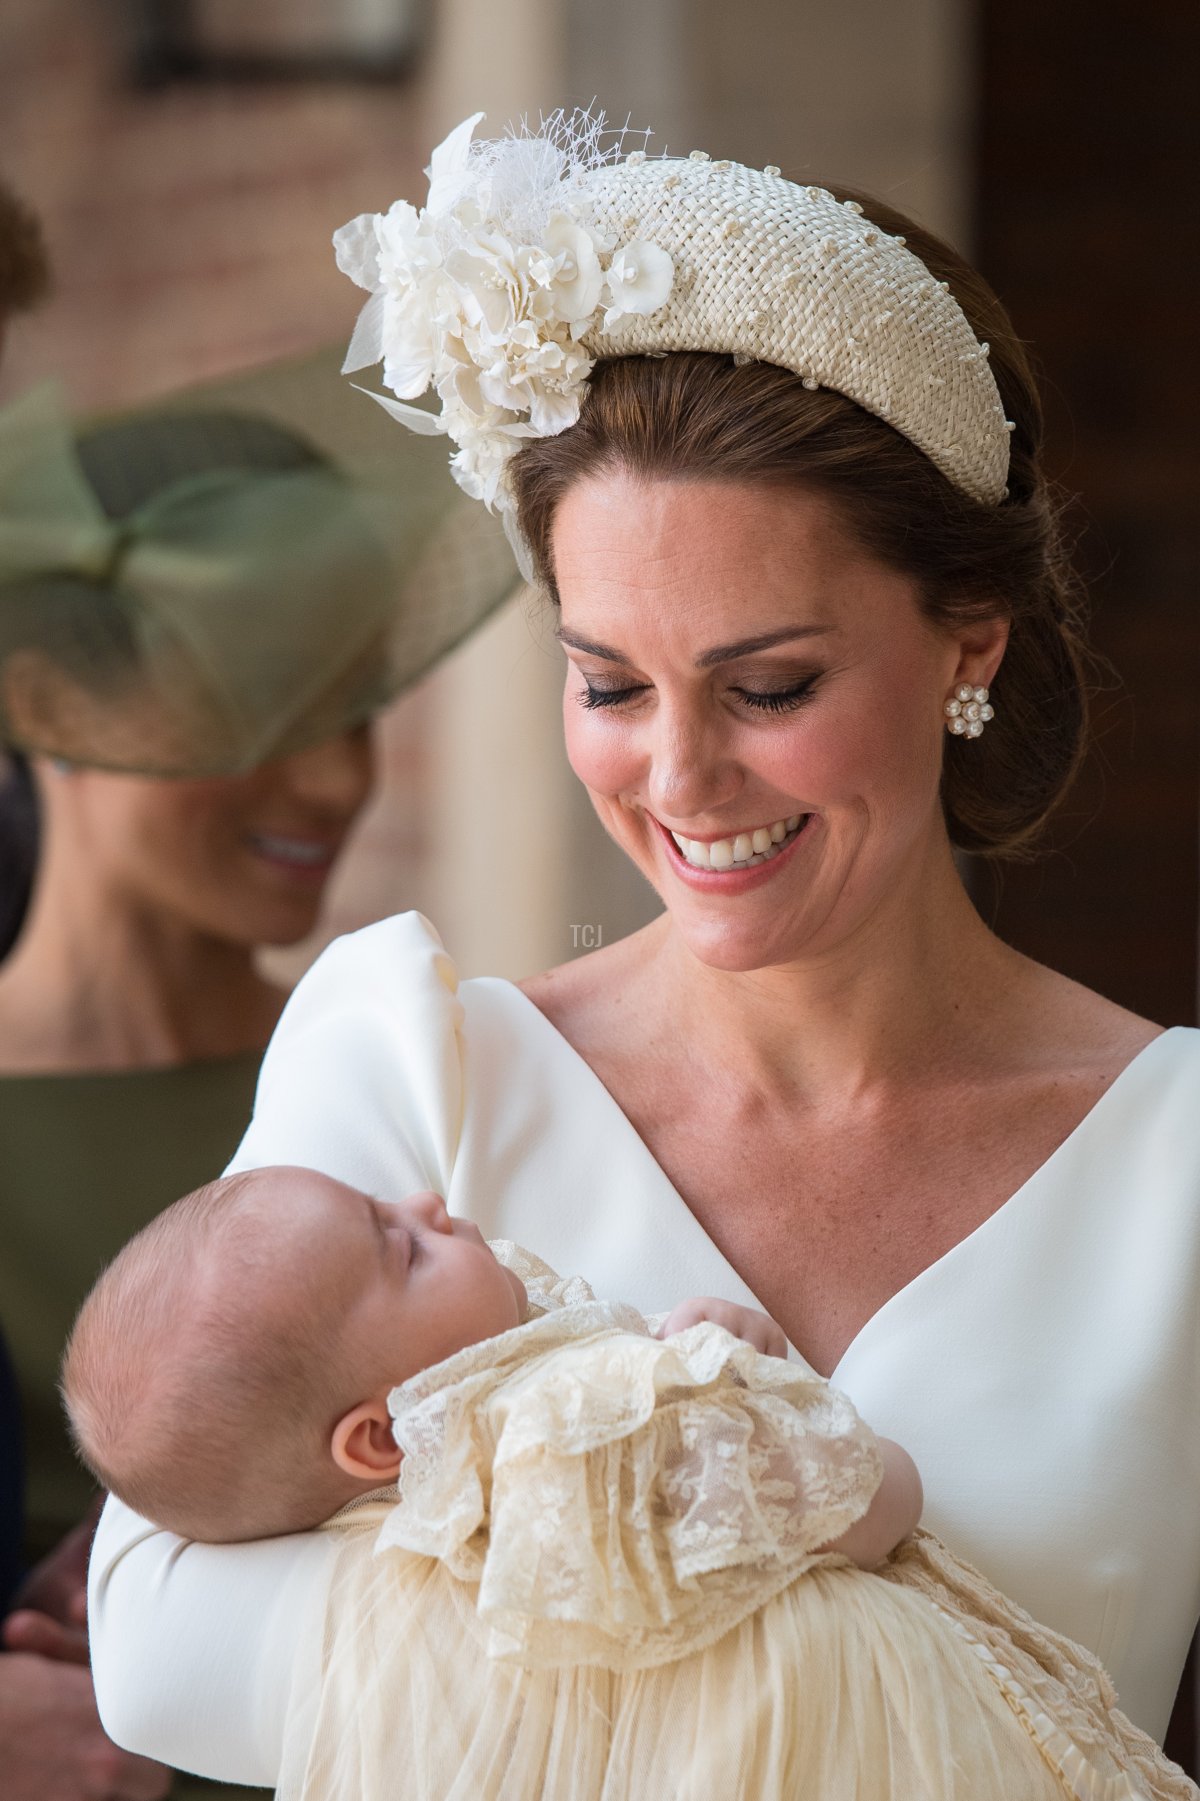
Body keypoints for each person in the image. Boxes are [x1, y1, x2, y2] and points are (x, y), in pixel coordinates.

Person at [88, 113, 1200, 1788]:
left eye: (771, 687)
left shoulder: (1175, 1166)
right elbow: (158, 1652)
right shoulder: (418, 1074)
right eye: (610, 684)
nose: (677, 780)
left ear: (968, 641)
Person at [0, 367, 516, 1797]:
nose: (333, 786)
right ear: (41, 695)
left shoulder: (423, 1072)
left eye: (351, 709)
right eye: (261, 710)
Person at [67, 1172, 1192, 1799]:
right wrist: (757, 1380)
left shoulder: (434, 1524)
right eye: (401, 1248)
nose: (432, 1203)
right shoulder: (582, 1434)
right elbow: (864, 1503)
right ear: (373, 1440)